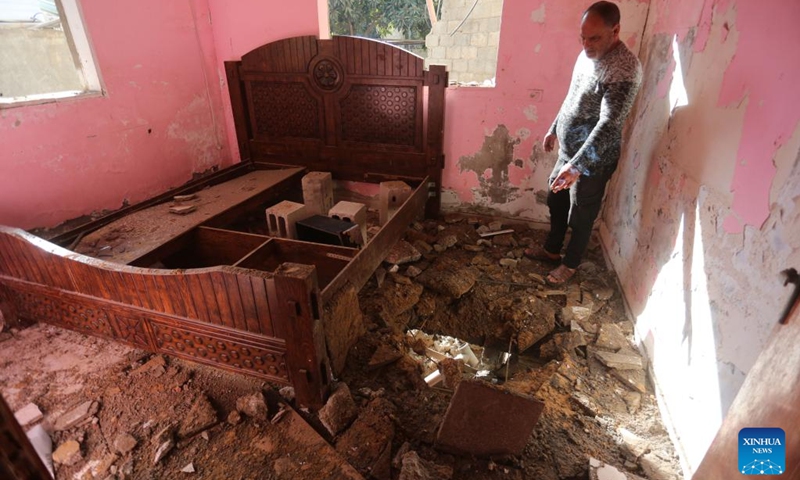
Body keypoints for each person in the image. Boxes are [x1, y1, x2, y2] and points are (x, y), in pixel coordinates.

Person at [525, 1, 642, 285]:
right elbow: (572, 95)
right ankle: (552, 250)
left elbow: (609, 123)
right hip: (568, 149)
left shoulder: (624, 69)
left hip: (594, 158)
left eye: (594, 38)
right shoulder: (587, 54)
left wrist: (577, 166)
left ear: (615, 31)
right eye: (583, 37)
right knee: (556, 197)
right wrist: (554, 126)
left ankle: (571, 263)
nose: (587, 44)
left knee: (582, 213)